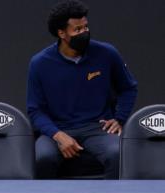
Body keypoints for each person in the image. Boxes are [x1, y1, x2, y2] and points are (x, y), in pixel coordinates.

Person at [26, 0, 137, 179]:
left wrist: (120, 118)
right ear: (61, 33)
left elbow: (129, 88)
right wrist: (57, 135)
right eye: (77, 30)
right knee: (42, 158)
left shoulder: (107, 53)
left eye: (85, 27)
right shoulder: (39, 63)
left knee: (118, 154)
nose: (84, 32)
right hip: (58, 128)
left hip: (97, 127)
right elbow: (35, 110)